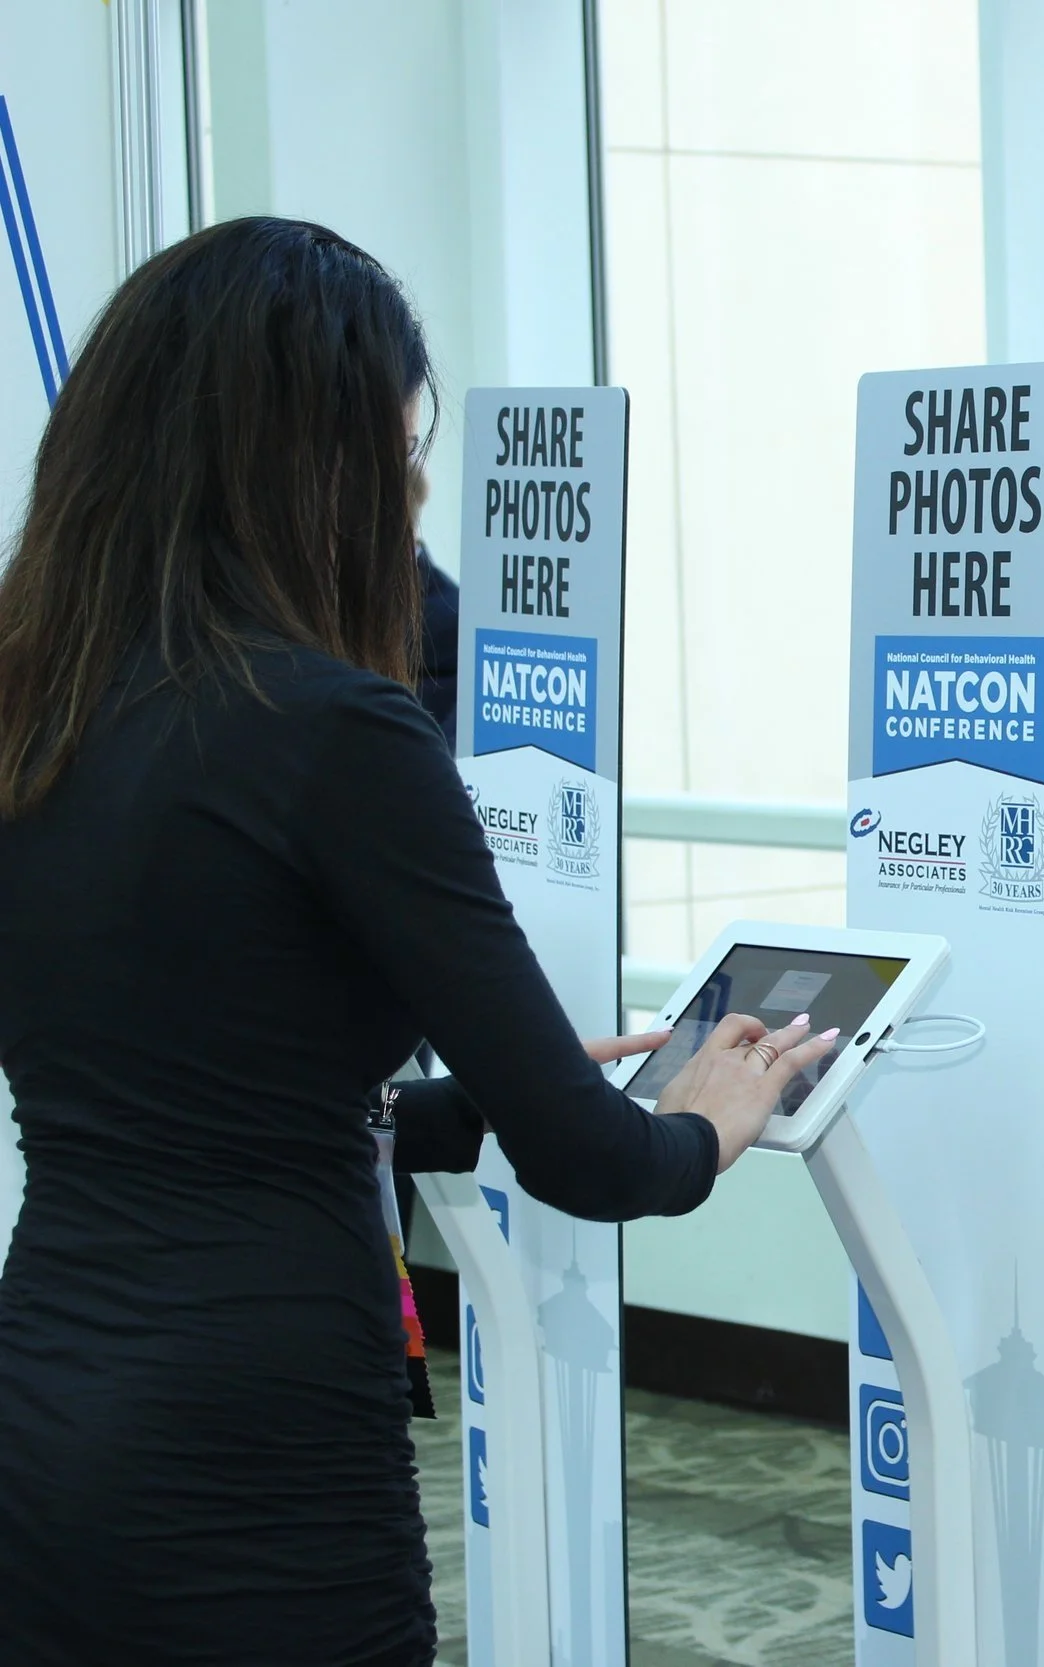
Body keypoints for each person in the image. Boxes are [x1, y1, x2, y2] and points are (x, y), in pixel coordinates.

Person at [0, 217, 836, 1667]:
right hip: (260, 1448)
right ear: (300, 468)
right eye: (392, 456)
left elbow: (183, 1084)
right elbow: (596, 1160)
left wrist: (472, 1095)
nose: (415, 494)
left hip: (46, 1407)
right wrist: (702, 1123)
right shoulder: (334, 732)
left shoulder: (33, 711)